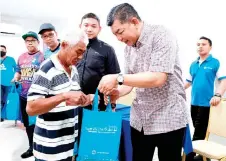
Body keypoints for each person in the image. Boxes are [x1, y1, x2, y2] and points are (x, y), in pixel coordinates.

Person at [98, 3, 189, 161]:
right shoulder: (129, 48)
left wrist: (117, 78)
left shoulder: (161, 35)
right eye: (115, 36)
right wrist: (117, 92)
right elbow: (130, 80)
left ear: (134, 21)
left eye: (120, 32)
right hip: (140, 119)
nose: (119, 39)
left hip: (168, 116)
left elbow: (158, 78)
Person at [26, 31, 94, 161]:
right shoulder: (47, 69)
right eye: (78, 52)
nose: (81, 57)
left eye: (83, 53)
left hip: (68, 146)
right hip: (49, 148)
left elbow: (68, 101)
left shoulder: (73, 69)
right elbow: (31, 108)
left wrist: (86, 99)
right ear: (64, 45)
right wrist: (63, 96)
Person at [184, 36, 226, 161]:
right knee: (198, 130)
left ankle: (191, 156)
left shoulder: (215, 62)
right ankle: (203, 157)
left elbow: (224, 81)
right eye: (198, 44)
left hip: (208, 104)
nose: (200, 46)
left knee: (199, 132)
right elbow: (188, 82)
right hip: (194, 103)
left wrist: (218, 95)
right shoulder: (193, 64)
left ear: (210, 47)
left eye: (203, 44)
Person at [77, 13, 121, 111]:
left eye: (93, 26)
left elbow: (114, 78)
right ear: (80, 27)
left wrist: (112, 104)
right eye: (86, 25)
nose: (89, 29)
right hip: (73, 103)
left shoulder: (107, 49)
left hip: (98, 105)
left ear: (99, 29)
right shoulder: (72, 48)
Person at [12, 31, 44, 158]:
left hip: (38, 97)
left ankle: (41, 147)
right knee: (27, 124)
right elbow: (18, 71)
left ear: (38, 42)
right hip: (24, 96)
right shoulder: (21, 57)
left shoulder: (43, 57)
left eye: (32, 40)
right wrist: (16, 77)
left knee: (39, 123)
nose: (30, 42)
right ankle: (31, 147)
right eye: (27, 40)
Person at [0, 45, 17, 122]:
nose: (1, 51)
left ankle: (5, 114)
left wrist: (15, 78)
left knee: (6, 100)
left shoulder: (11, 59)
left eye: (2, 50)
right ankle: (1, 116)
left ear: (6, 51)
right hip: (0, 83)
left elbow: (17, 69)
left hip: (9, 84)